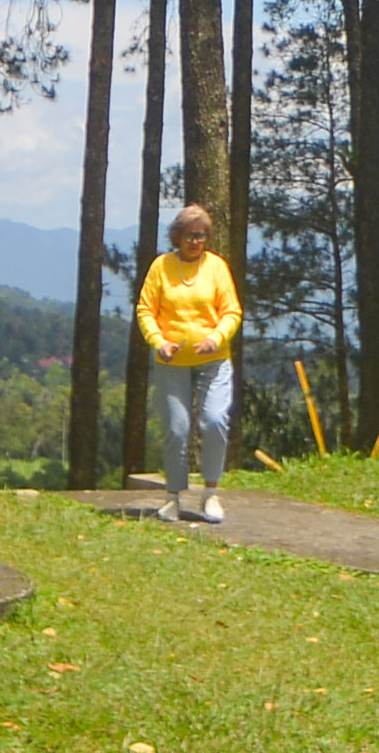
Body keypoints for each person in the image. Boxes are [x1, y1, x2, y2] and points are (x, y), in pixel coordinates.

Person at [135, 201, 240, 523]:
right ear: (177, 236)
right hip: (172, 361)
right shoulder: (161, 266)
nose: (195, 241)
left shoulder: (217, 267)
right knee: (177, 429)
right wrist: (159, 342)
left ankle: (211, 493)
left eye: (201, 235)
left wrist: (217, 338)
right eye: (189, 235)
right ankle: (173, 497)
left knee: (214, 421)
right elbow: (145, 310)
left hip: (214, 360)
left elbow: (231, 312)